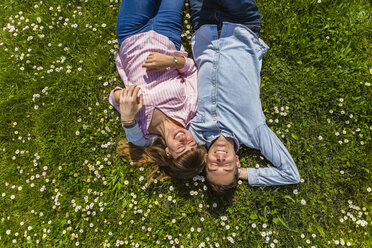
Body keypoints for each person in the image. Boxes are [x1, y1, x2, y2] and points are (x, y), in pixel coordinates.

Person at [187, 0, 300, 195]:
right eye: (228, 167)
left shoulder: (195, 132)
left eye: (213, 167)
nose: (220, 161)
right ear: (237, 162)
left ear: (205, 162)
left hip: (203, 27)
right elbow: (291, 174)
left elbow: (159, 141)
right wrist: (243, 173)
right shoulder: (253, 132)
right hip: (241, 26)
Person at [109, 0, 206, 184]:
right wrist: (171, 62)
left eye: (181, 148)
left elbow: (113, 97)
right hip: (168, 32)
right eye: (191, 143)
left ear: (168, 152)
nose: (184, 140)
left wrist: (123, 103)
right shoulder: (190, 110)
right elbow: (192, 70)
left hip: (131, 34)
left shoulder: (142, 136)